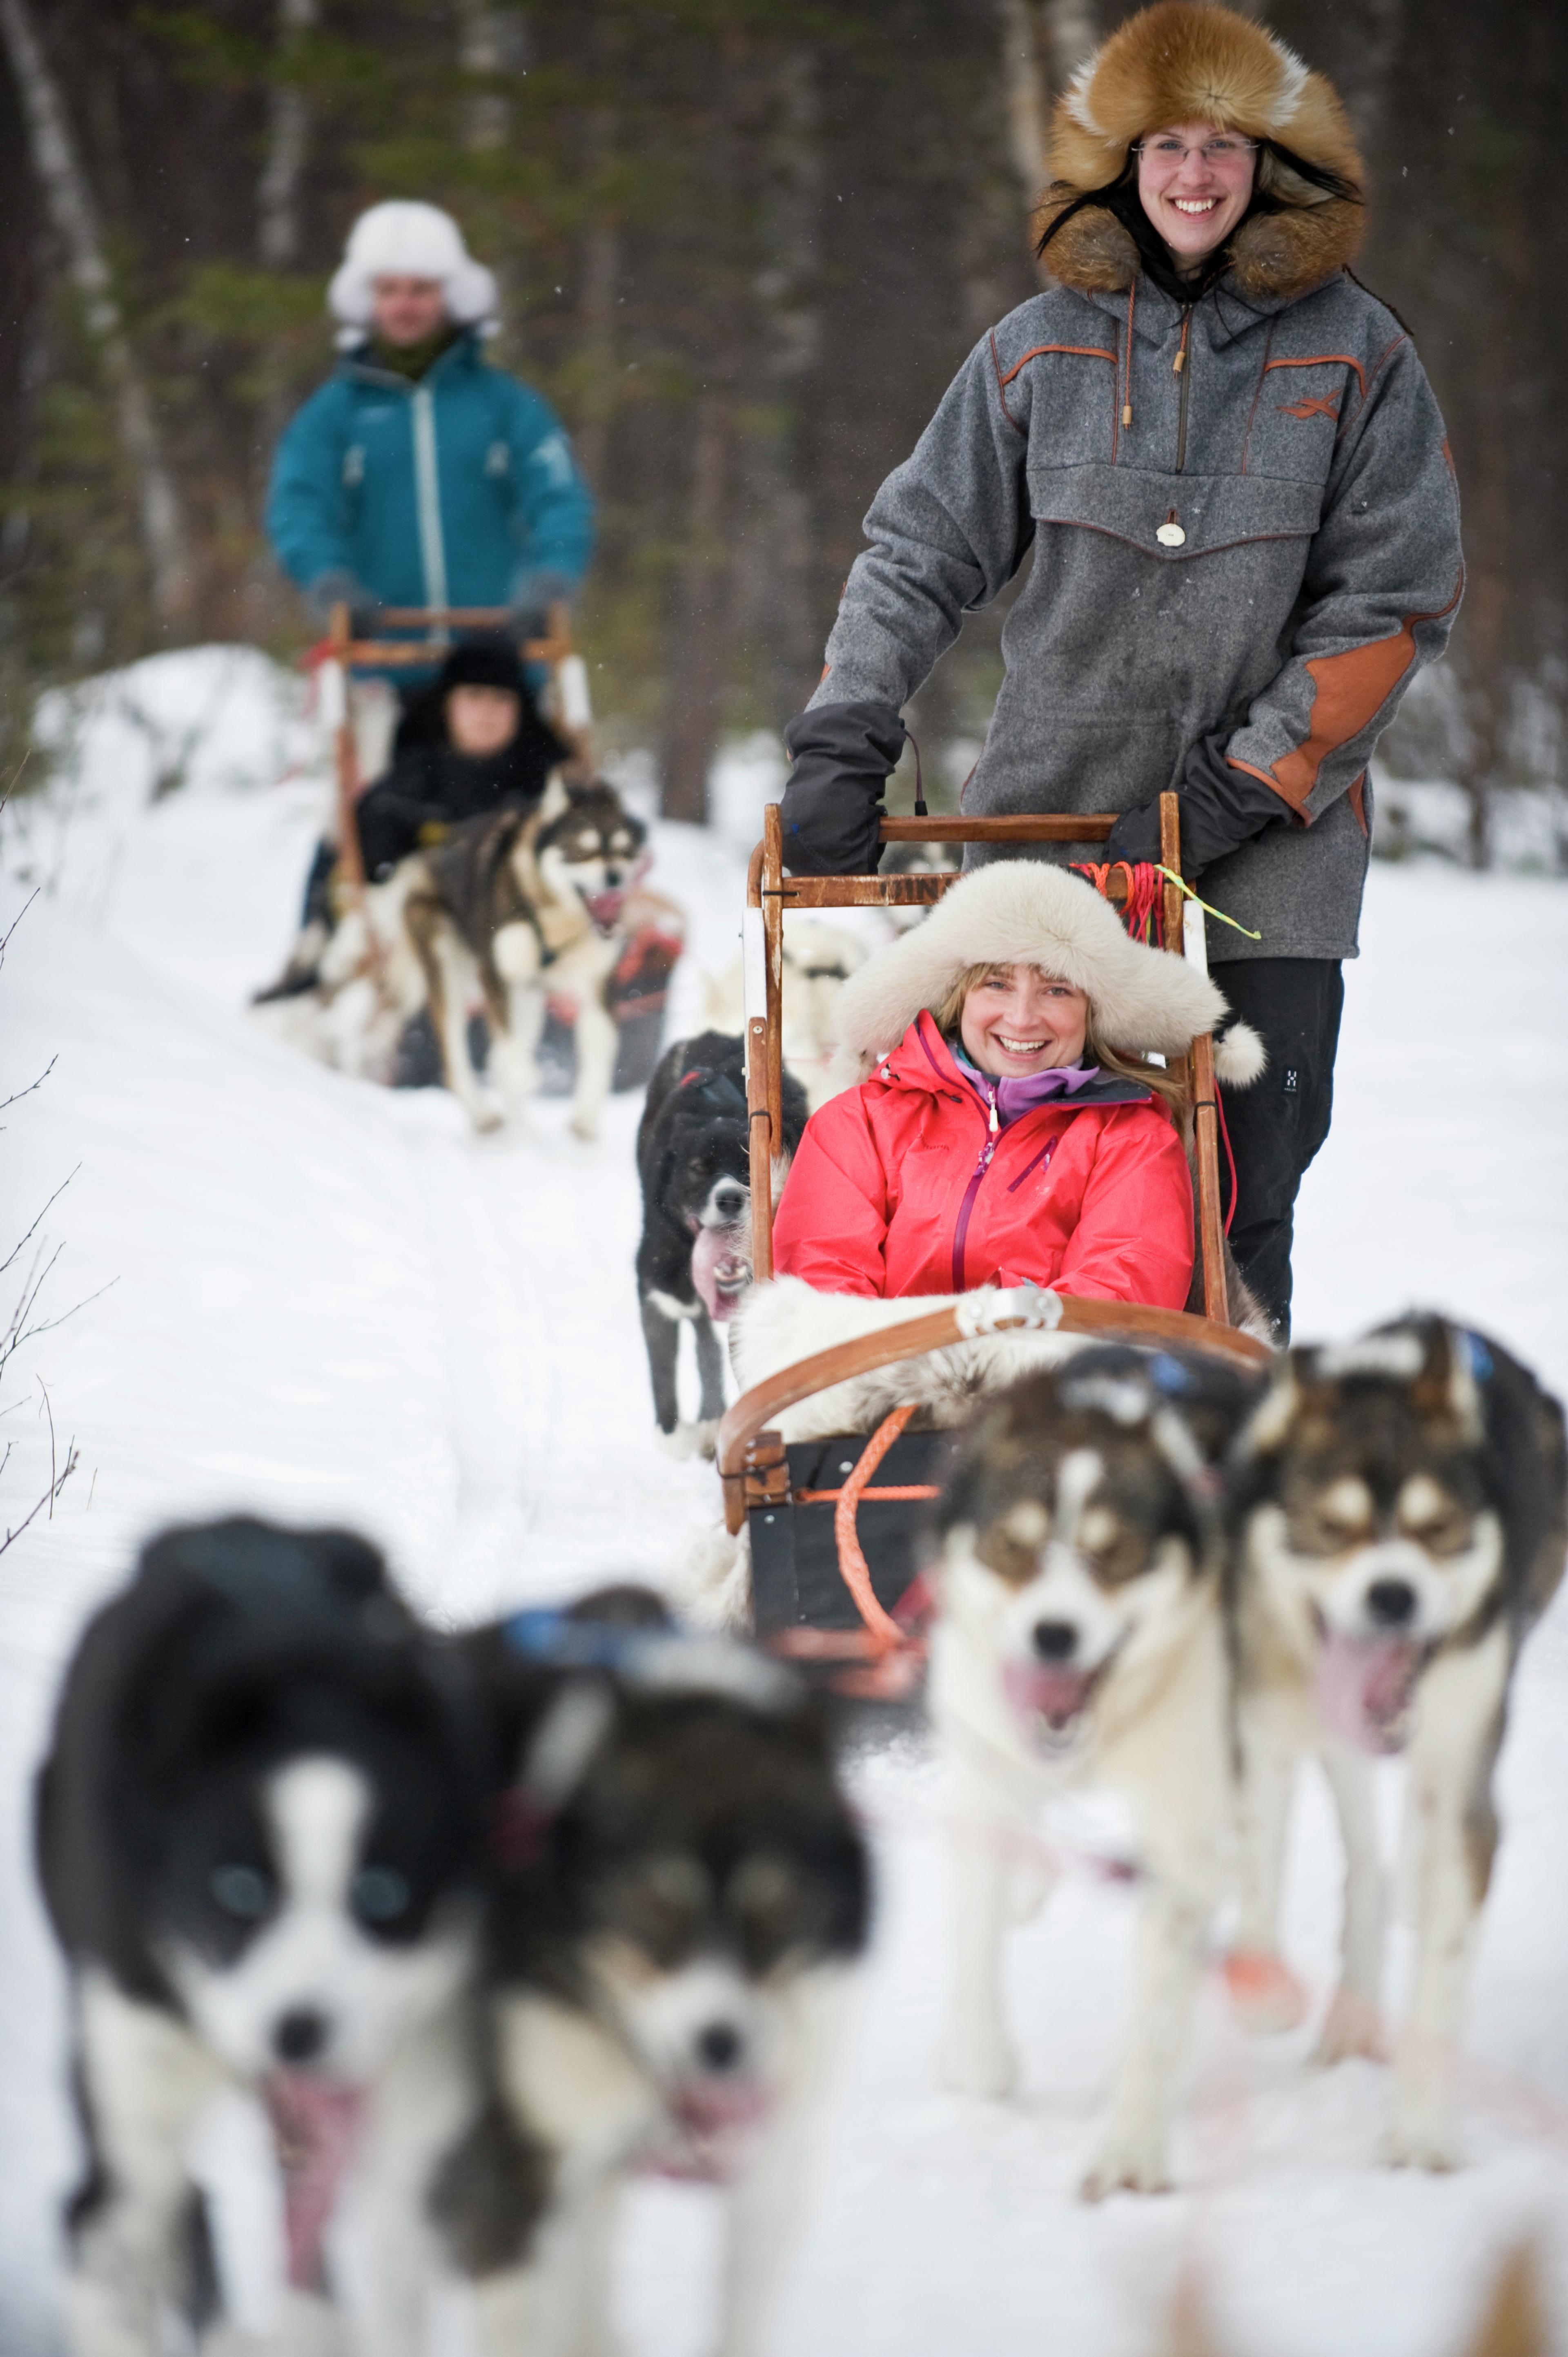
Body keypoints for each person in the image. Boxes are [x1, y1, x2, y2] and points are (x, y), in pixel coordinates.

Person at [776, 2, 1463, 1341]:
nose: (1195, 176)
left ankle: (1218, 1422)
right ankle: (966, 1423)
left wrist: (1246, 782)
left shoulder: (1361, 357)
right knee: (988, 1129)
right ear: (1120, 163)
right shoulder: (1040, 347)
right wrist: (844, 732)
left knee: (1245, 1165)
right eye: (1166, 146)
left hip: (1272, 839)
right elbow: (917, 550)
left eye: (1224, 145)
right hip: (1055, 807)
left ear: (1272, 163)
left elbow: (1392, 604)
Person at [771, 862, 1260, 1307]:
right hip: (882, 1385)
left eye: (1057, 989)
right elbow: (825, 1284)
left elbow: (1125, 1287)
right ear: (957, 998)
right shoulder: (860, 1122)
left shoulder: (1132, 1139)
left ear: (1092, 1013)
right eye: (997, 984)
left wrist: (997, 1351)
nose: (1023, 1018)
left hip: (1044, 1391)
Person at [266, 200, 593, 657]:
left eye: (421, 289)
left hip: (497, 669)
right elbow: (299, 507)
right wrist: (329, 582)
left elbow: (559, 501)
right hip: (377, 662)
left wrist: (551, 581)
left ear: (449, 295)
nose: (404, 305)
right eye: (389, 289)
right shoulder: (332, 415)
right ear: (369, 299)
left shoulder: (509, 406)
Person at [257, 635, 570, 1003]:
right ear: (448, 706)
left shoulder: (552, 789)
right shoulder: (403, 789)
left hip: (529, 950)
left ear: (520, 709)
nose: (487, 712)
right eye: (474, 697)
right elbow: (353, 880)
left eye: (501, 700)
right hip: (413, 952)